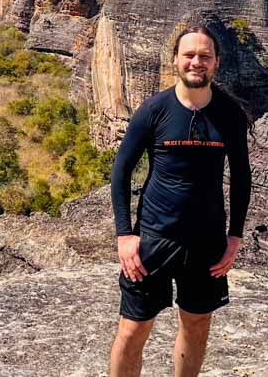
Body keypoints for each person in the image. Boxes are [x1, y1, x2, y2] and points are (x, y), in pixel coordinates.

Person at [107, 21, 252, 377]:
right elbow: (121, 171)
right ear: (175, 60)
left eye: (205, 56)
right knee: (133, 329)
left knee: (197, 325)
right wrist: (124, 235)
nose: (196, 62)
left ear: (216, 62)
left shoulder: (230, 114)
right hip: (154, 239)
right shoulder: (154, 110)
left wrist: (234, 237)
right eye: (189, 55)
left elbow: (241, 177)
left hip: (207, 242)